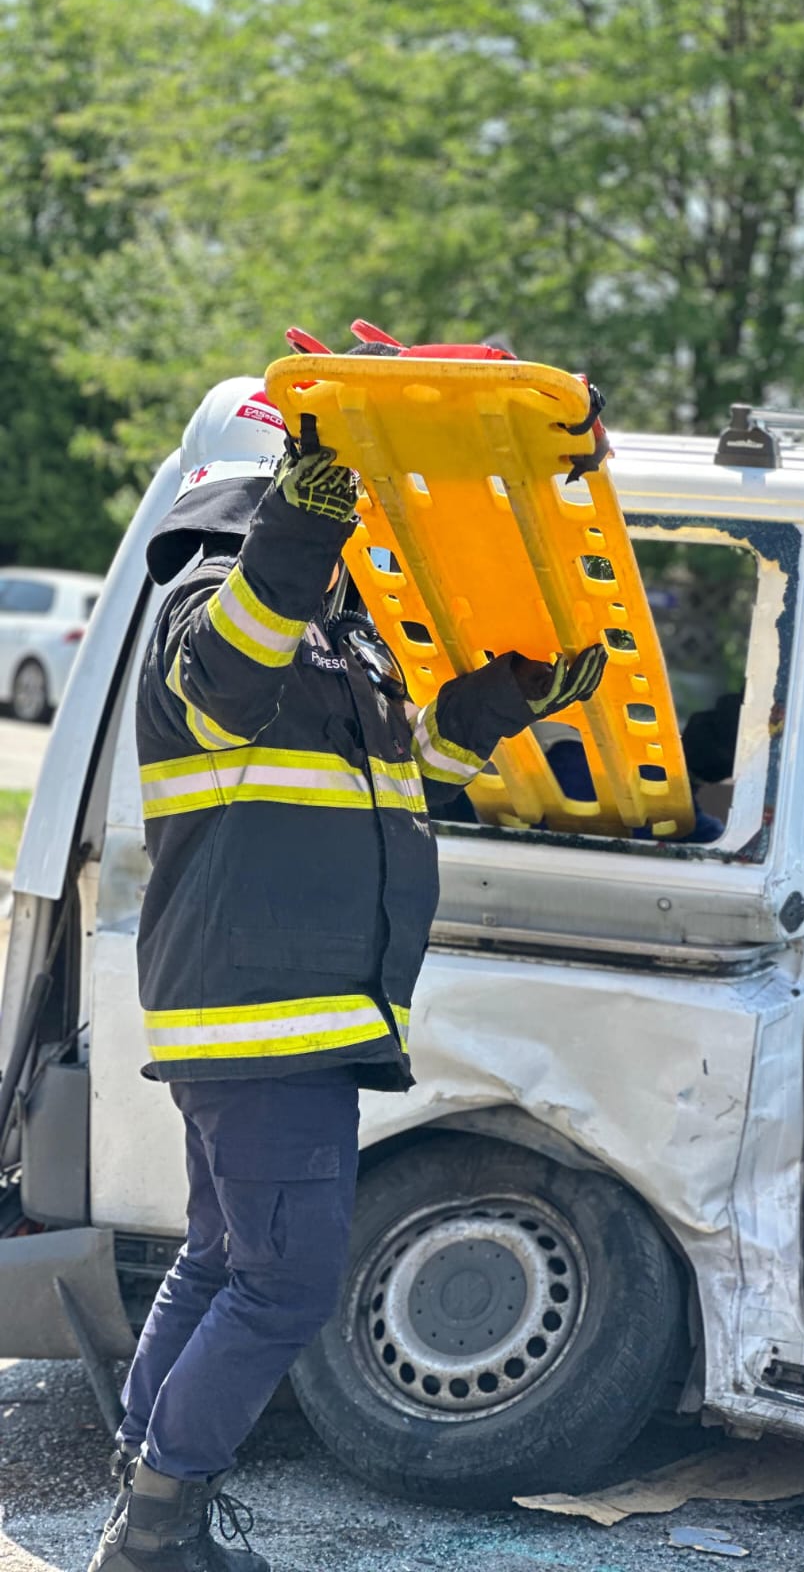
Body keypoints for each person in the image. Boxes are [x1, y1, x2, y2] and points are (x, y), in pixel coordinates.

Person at [89, 373, 606, 1572]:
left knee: (223, 1260)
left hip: (281, 1011)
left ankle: (152, 1495)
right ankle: (155, 1526)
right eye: (329, 500)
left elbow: (403, 770)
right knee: (286, 1281)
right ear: (265, 495)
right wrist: (300, 522)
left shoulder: (335, 641)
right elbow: (224, 673)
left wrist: (501, 700)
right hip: (267, 1014)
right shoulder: (209, 604)